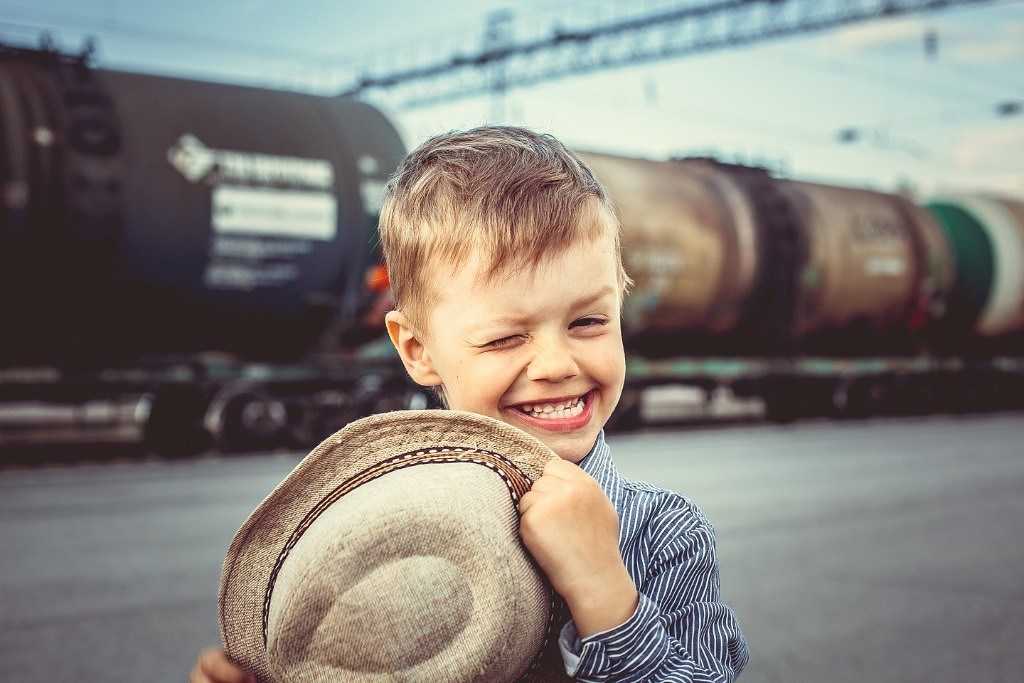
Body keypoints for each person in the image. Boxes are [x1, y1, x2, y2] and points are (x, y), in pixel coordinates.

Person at [192, 125, 748, 682]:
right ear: (417, 350)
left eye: (588, 321)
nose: (556, 364)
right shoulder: (375, 529)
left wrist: (605, 592)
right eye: (505, 338)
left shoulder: (664, 537)